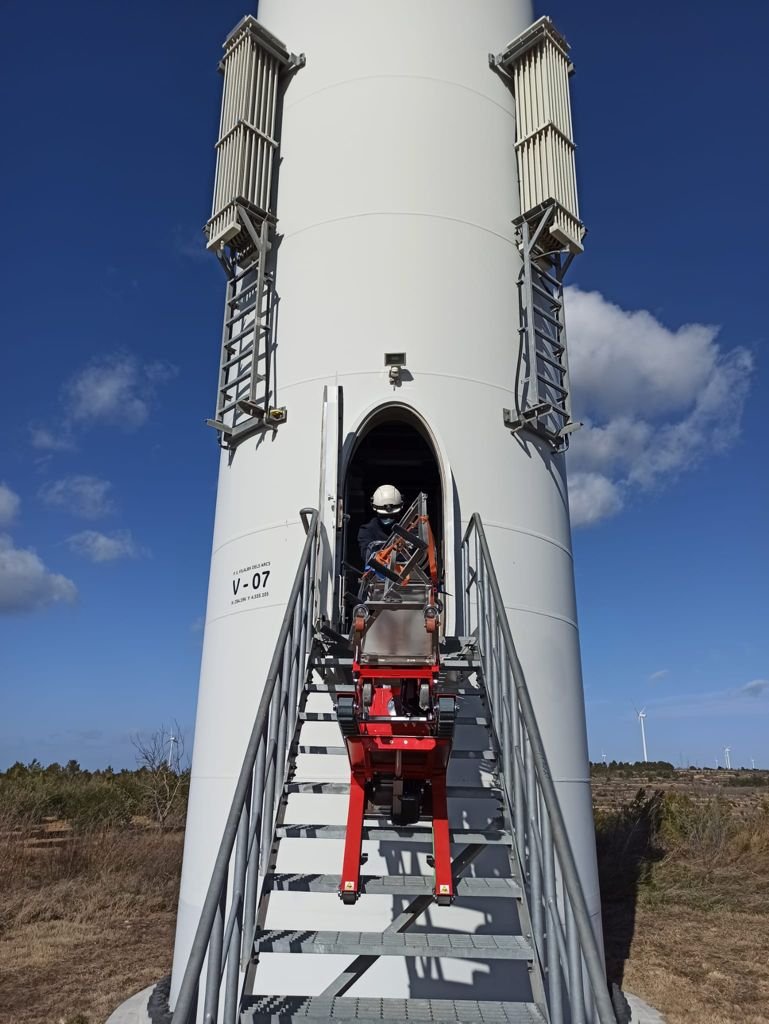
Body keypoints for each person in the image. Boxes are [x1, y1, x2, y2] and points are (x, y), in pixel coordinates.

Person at [357, 484, 403, 565]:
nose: (388, 519)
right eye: (384, 516)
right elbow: (367, 556)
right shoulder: (367, 530)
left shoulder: (408, 527)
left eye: (392, 515)